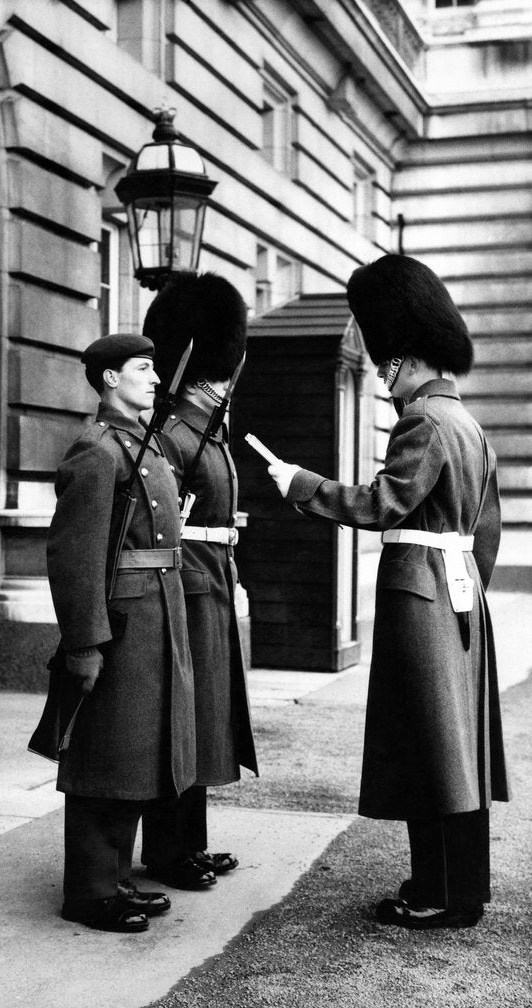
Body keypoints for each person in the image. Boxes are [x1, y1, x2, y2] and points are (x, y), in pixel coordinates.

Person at [267, 253, 509, 929]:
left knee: (427, 750)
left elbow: (382, 504)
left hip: (419, 597)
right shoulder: (471, 426)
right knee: (453, 750)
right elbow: (487, 531)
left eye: (384, 365)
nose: (382, 378)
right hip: (459, 597)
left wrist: (301, 486)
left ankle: (437, 894)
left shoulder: (424, 422)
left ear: (402, 356)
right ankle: (459, 886)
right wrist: (464, 596)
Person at [30, 333, 197, 933]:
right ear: (108, 379)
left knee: (135, 754)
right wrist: (84, 642)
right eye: (143, 369)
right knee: (107, 753)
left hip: (157, 615)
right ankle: (91, 891)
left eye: (156, 368)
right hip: (122, 623)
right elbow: (74, 557)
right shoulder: (98, 451)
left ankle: (116, 877)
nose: (155, 379)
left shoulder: (143, 448)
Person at [139, 272, 259, 890]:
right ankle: (167, 852)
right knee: (180, 722)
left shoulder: (209, 433)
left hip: (211, 585)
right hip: (184, 587)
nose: (223, 385)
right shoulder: (173, 433)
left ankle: (191, 842)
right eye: (215, 374)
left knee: (206, 721)